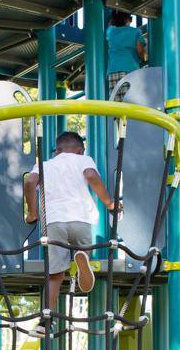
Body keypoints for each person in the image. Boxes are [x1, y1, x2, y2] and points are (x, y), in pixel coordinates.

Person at [22, 130, 119, 329]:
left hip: (54, 222)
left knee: (55, 274)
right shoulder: (83, 160)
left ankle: (45, 321)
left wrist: (32, 213)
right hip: (81, 218)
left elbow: (30, 181)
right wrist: (109, 203)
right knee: (84, 248)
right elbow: (91, 175)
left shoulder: (45, 165)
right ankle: (83, 257)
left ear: (56, 151)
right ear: (80, 150)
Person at [104, 9, 147, 97]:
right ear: (128, 20)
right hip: (130, 69)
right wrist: (144, 58)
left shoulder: (110, 32)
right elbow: (140, 49)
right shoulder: (135, 32)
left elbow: (109, 26)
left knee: (116, 102)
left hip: (112, 71)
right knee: (131, 99)